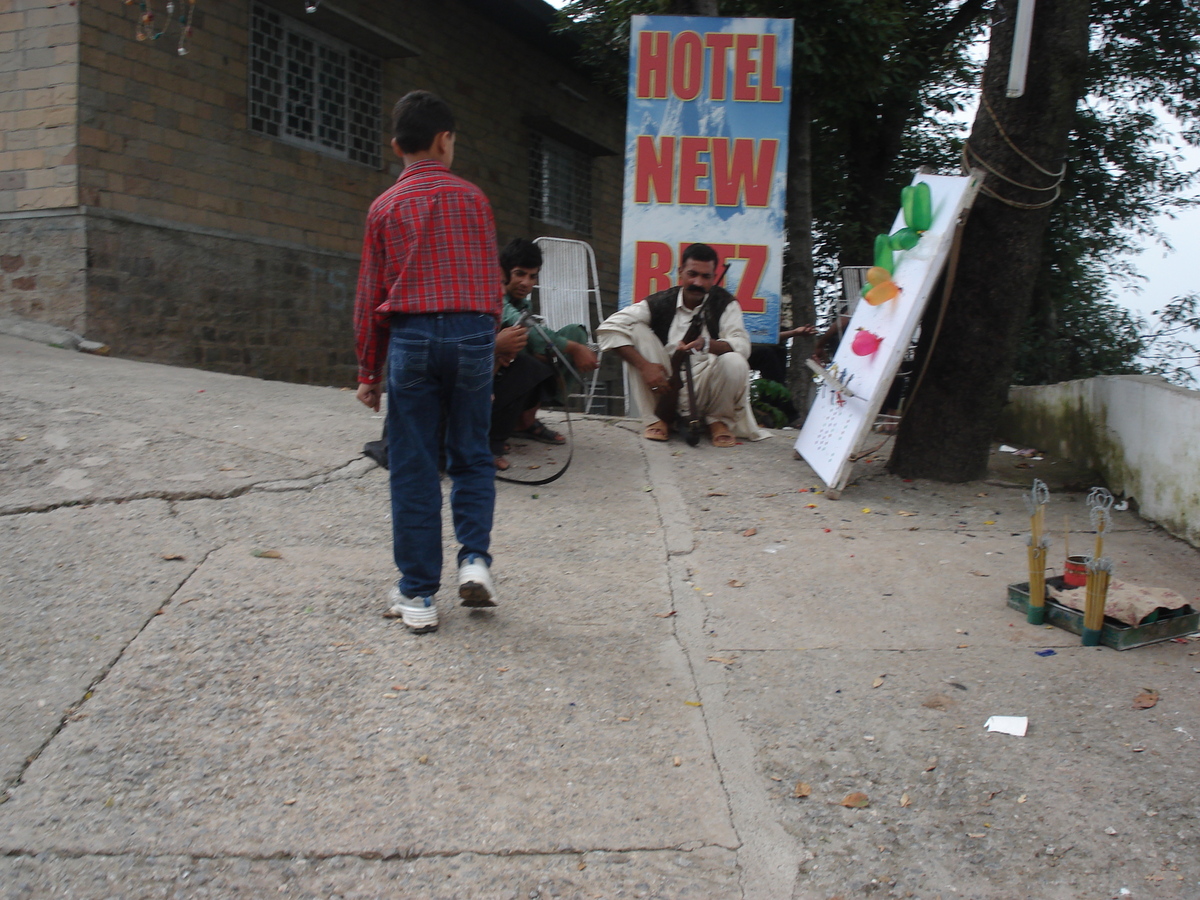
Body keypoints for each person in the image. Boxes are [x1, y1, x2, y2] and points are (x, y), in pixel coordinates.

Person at [353, 90, 501, 634]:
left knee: (413, 465)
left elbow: (370, 295)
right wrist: (485, 359)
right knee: (471, 455)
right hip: (470, 334)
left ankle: (416, 595)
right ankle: (475, 561)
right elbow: (490, 287)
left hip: (411, 337)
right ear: (445, 140)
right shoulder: (474, 199)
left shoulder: (383, 208)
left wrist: (369, 371)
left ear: (396, 146)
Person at [596, 242, 769, 447]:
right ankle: (658, 419)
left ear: (714, 278)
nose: (698, 282)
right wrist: (645, 366)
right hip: (664, 382)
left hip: (707, 386)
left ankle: (718, 421)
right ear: (680, 273)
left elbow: (742, 345)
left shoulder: (725, 304)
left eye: (706, 277)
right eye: (692, 274)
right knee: (634, 330)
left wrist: (708, 345)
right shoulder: (660, 301)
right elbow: (609, 327)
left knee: (734, 360)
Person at [490, 238, 598, 469]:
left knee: (575, 334)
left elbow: (537, 338)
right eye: (519, 274)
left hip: (506, 378)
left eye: (532, 276)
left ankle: (524, 422)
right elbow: (530, 332)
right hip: (485, 381)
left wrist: (564, 348)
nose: (526, 282)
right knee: (532, 362)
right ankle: (491, 439)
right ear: (504, 272)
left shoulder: (523, 305)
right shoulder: (496, 295)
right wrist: (574, 349)